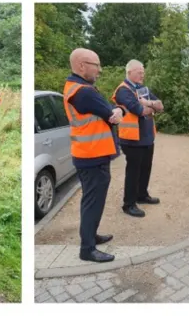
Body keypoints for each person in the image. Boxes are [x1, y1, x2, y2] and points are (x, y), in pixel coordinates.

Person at [64, 48, 123, 263]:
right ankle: (87, 249)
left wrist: (115, 111)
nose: (100, 70)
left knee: (93, 201)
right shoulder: (84, 91)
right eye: (96, 65)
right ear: (82, 65)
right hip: (92, 156)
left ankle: (91, 236)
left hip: (90, 154)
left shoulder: (77, 88)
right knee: (92, 202)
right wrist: (117, 112)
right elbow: (111, 115)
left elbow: (109, 111)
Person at [112, 60, 163, 218]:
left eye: (143, 71)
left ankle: (142, 195)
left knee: (145, 168)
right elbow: (139, 110)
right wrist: (150, 107)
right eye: (139, 72)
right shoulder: (123, 90)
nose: (143, 74)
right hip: (132, 140)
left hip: (147, 137)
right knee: (133, 171)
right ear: (129, 73)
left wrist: (149, 103)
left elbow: (161, 106)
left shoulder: (143, 89)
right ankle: (129, 204)